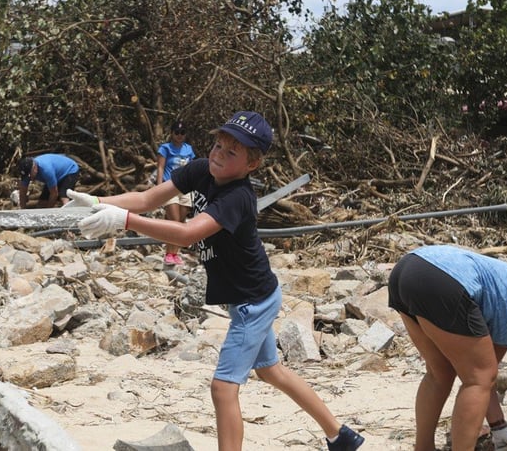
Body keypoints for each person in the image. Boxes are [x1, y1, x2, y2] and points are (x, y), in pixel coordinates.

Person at [68, 111, 364, 451]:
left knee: (223, 389)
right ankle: (340, 435)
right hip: (251, 296)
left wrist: (125, 221)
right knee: (271, 372)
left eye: (231, 152)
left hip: (253, 302)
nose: (219, 154)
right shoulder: (201, 169)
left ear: (251, 165)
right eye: (218, 144)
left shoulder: (238, 197)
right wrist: (98, 202)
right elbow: (149, 199)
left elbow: (186, 234)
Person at [387, 244, 507, 451]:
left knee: (441, 373)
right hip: (442, 277)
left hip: (409, 269)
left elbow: (488, 380)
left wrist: (499, 427)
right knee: (478, 379)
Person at [156, 120, 196, 265]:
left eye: (182, 133)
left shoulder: (189, 149)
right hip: (169, 186)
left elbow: (192, 169)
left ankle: (175, 253)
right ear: (172, 133)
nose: (179, 135)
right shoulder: (165, 148)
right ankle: (168, 253)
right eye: (177, 132)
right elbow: (160, 168)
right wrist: (158, 188)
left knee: (181, 222)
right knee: (173, 221)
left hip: (185, 189)